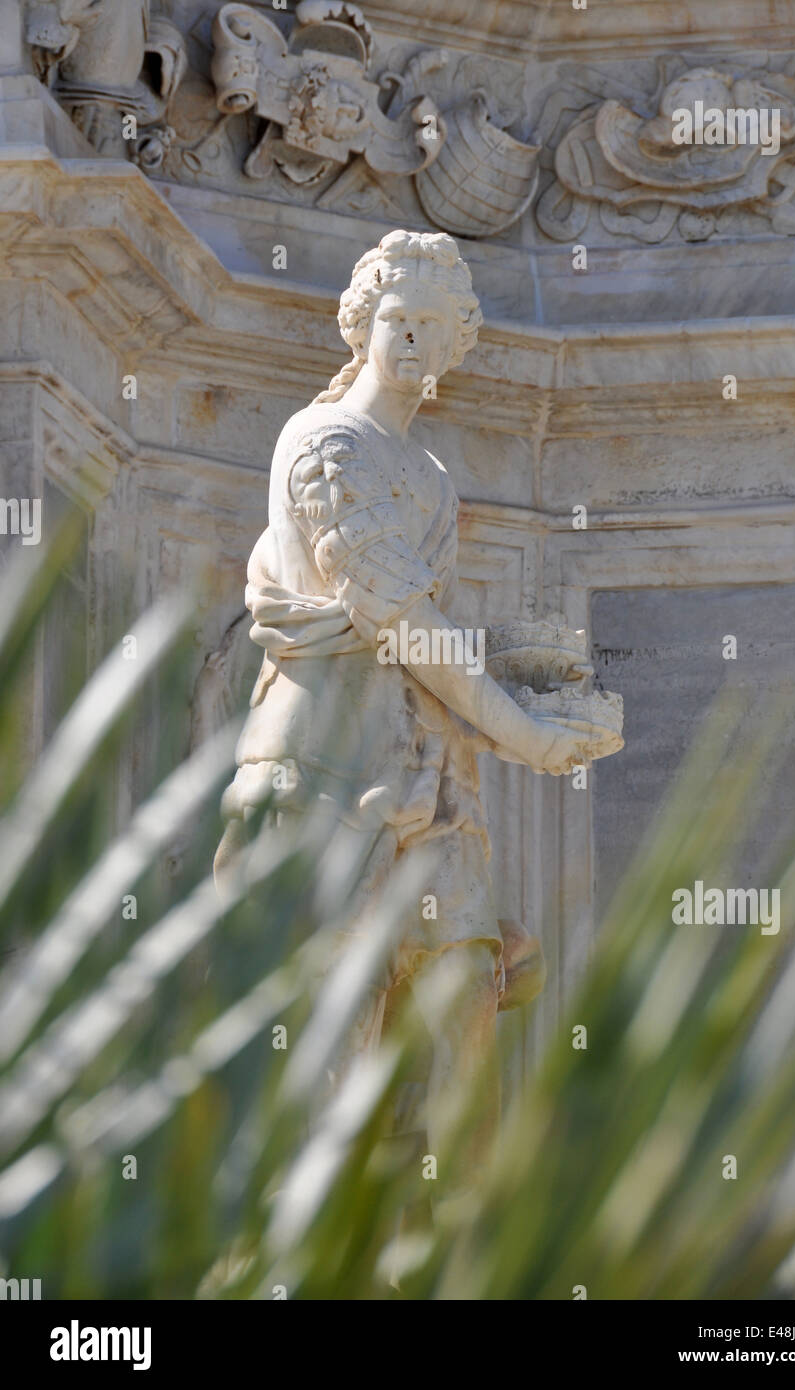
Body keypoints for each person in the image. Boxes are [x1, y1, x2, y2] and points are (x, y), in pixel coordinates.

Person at [215, 229, 588, 1186]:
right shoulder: (324, 440)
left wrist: (537, 706)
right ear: (360, 324)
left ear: (460, 344)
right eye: (397, 322)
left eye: (433, 328)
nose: (414, 344)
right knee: (325, 1039)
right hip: (323, 766)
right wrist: (527, 732)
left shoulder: (429, 478)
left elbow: (431, 649)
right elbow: (400, 622)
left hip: (425, 772)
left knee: (465, 1014)